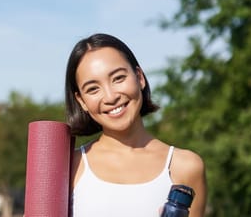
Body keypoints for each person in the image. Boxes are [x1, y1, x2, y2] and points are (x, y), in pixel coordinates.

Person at [65, 33, 206, 217]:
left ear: (139, 77)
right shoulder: (68, 166)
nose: (110, 97)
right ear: (81, 100)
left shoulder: (186, 166)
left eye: (118, 78)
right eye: (93, 89)